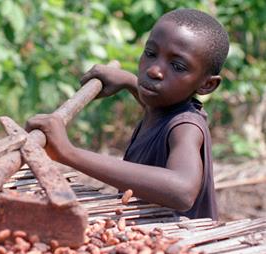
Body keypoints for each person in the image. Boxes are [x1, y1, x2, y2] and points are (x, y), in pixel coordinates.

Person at [25, 8, 229, 220]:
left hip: (180, 243)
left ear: (207, 84)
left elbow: (182, 191)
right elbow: (156, 108)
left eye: (177, 66)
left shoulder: (186, 128)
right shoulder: (162, 107)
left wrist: (68, 153)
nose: (154, 71)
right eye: (150, 54)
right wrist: (127, 81)